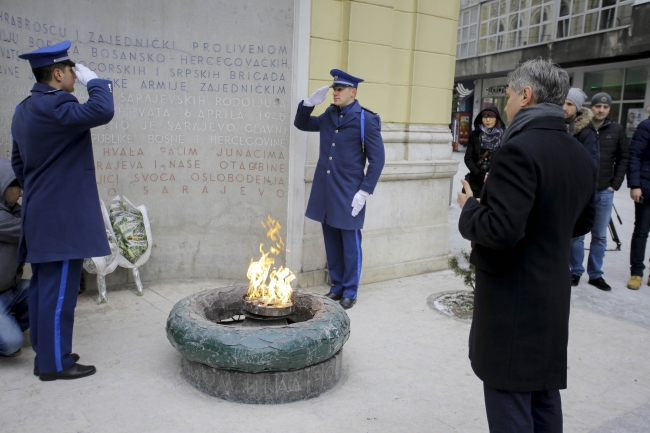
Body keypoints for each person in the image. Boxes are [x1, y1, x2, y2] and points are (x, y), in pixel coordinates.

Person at [457, 58, 596, 432]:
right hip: (551, 293)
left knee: (510, 398)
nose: (506, 104)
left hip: (513, 302)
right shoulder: (578, 152)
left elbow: (499, 231)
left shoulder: (517, 150)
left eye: (509, 93)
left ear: (526, 94)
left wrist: (471, 207)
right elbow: (581, 221)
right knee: (543, 394)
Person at [11, 41, 114, 380]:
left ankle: (48, 354)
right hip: (61, 219)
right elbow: (101, 111)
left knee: (44, 289)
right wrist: (97, 83)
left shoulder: (24, 109)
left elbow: (18, 164)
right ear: (58, 73)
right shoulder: (57, 104)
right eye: (71, 70)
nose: (74, 75)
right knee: (60, 295)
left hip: (40, 213)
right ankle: (55, 364)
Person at [293, 69, 385, 309]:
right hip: (326, 190)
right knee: (331, 240)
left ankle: (350, 291)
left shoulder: (366, 119)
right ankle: (336, 287)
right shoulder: (329, 115)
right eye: (334, 88)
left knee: (350, 242)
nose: (335, 92)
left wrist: (364, 192)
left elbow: (377, 160)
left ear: (352, 92)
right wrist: (308, 104)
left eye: (340, 89)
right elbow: (301, 123)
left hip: (349, 192)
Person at [569, 92, 629, 290]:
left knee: (600, 235)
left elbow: (623, 158)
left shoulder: (616, 130)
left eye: (605, 107)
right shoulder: (579, 128)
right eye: (597, 107)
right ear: (590, 107)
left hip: (604, 190)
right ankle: (575, 271)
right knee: (577, 235)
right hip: (582, 191)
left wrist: (615, 184)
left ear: (609, 110)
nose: (601, 110)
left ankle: (595, 274)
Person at [0, 158, 29, 358]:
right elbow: (31, 229)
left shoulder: (16, 211)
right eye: (17, 186)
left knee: (46, 291)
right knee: (12, 344)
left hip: (11, 290)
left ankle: (6, 323)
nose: (20, 193)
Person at [626, 105, 650, 290]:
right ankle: (637, 272)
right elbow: (634, 156)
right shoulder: (646, 126)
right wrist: (635, 185)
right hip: (646, 189)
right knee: (641, 231)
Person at [464, 107, 505, 197]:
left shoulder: (504, 136)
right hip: (476, 181)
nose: (488, 120)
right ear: (481, 119)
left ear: (496, 119)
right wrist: (480, 175)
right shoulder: (475, 135)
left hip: (496, 181)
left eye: (491, 117)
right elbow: (468, 158)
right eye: (485, 117)